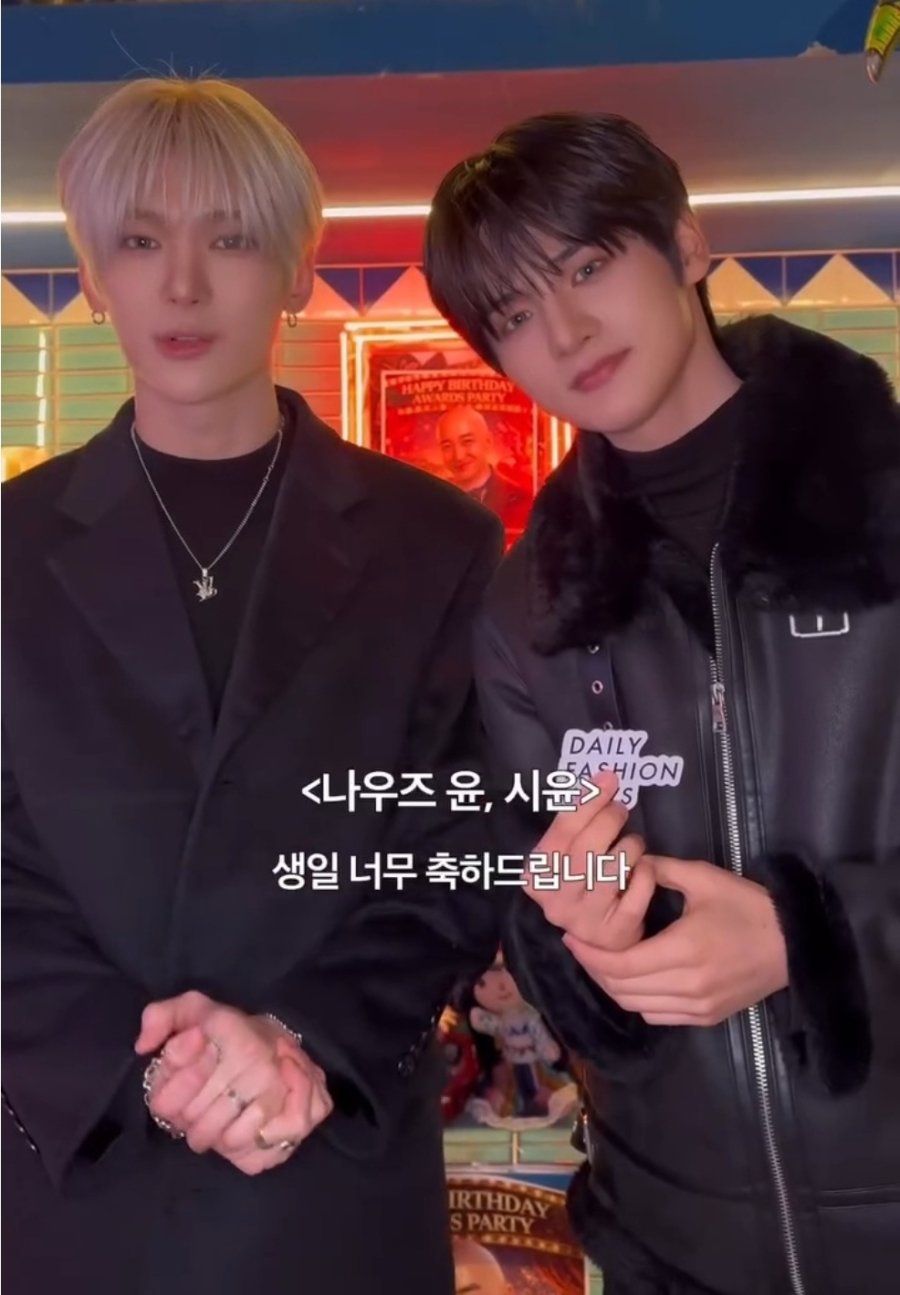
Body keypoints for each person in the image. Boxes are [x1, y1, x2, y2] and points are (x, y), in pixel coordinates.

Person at [1, 76, 505, 1295]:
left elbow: (458, 837)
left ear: (294, 269)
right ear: (93, 274)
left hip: (333, 1156)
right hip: (80, 1168)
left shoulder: (434, 541)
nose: (183, 286)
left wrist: (300, 1037)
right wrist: (147, 1072)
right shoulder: (11, 547)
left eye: (229, 240)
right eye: (140, 243)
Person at [423, 111, 900, 1294]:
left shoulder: (883, 508)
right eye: (514, 315)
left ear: (686, 243)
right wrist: (579, 935)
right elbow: (538, 911)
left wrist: (815, 939)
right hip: (678, 1242)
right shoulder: (531, 606)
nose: (565, 332)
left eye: (588, 266)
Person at [436, 404, 531, 531]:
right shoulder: (432, 502)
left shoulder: (523, 502)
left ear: (488, 441)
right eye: (447, 446)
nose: (458, 456)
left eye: (467, 442)